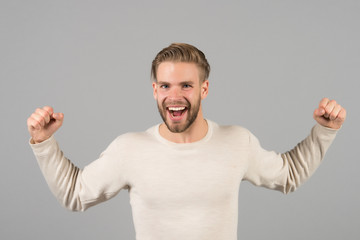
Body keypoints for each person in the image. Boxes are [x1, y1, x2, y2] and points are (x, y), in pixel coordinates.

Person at [27, 43, 346, 240]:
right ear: (154, 90)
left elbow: (289, 175)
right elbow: (73, 194)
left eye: (186, 86)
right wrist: (43, 143)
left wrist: (324, 131)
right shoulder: (130, 149)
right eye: (165, 86)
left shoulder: (237, 141)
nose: (174, 96)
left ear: (204, 89)